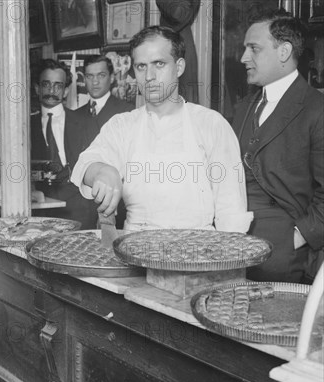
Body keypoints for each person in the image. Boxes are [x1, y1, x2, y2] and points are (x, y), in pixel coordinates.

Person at [71, 26, 253, 233]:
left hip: (198, 249)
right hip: (135, 246)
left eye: (159, 64)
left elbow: (231, 209)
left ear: (179, 67)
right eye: (141, 66)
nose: (149, 76)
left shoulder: (211, 124)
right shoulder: (122, 125)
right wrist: (102, 171)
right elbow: (85, 164)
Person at [232, 9, 324, 283]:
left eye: (254, 49)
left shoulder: (316, 109)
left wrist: (296, 239)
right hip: (235, 248)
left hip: (285, 260)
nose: (243, 58)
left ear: (284, 52)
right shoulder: (244, 106)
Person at [30, 59, 98, 229]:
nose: (52, 91)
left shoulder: (85, 122)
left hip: (78, 206)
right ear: (37, 88)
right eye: (46, 85)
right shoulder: (26, 125)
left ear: (66, 90)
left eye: (58, 86)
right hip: (40, 206)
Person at [76, 54, 136, 228]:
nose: (95, 82)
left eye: (101, 75)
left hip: (118, 206)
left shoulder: (127, 114)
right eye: (89, 76)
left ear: (111, 78)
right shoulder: (75, 115)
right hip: (82, 206)